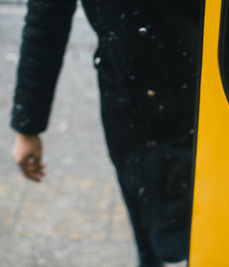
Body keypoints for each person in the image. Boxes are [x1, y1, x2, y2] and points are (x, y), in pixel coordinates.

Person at [10, 0, 202, 266]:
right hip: (129, 111)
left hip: (209, 108)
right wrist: (27, 125)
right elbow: (47, 19)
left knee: (180, 243)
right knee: (149, 236)